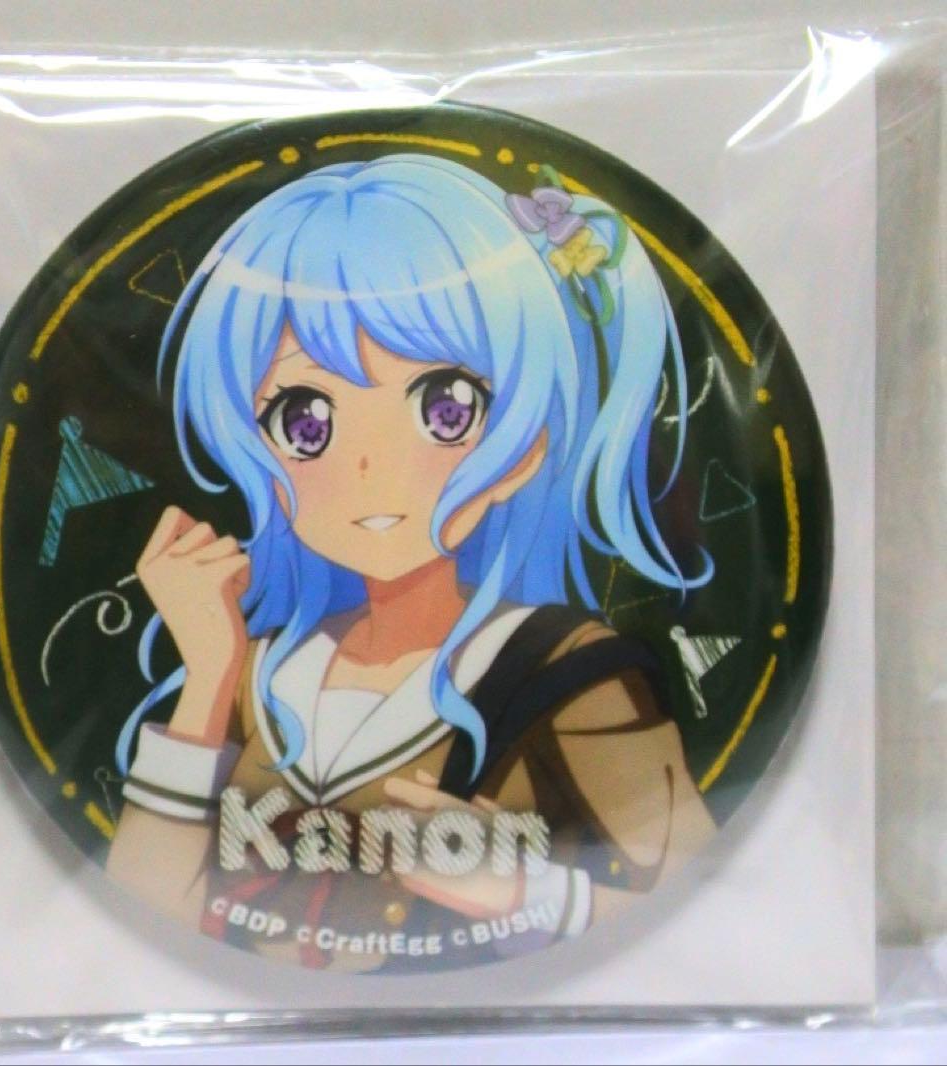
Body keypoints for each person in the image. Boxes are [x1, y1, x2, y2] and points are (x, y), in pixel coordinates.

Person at [106, 154, 716, 972]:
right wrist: (210, 674)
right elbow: (146, 919)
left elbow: (712, 908)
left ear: (524, 448)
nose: (371, 467)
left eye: (445, 407)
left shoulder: (569, 674)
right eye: (304, 418)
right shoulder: (264, 675)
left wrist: (527, 892)